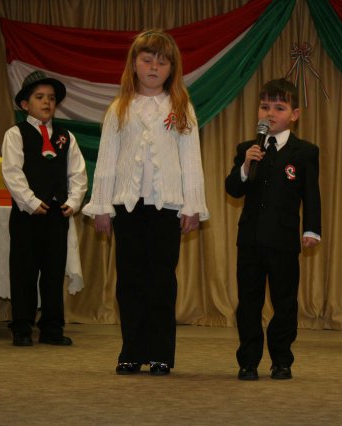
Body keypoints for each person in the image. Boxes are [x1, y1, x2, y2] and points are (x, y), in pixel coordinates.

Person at [82, 29, 209, 376]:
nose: (154, 67)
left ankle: (160, 353)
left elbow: (191, 160)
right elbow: (107, 160)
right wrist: (102, 206)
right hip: (127, 207)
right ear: (134, 64)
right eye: (147, 60)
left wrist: (192, 205)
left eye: (162, 62)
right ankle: (132, 350)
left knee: (162, 280)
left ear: (172, 68)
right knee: (130, 280)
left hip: (166, 207)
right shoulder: (119, 108)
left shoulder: (181, 108)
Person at [225, 79, 321, 380]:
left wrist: (312, 229)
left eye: (279, 108)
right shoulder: (247, 149)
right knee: (248, 303)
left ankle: (281, 359)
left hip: (283, 239)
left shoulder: (305, 152)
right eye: (265, 106)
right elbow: (233, 189)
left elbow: (311, 194)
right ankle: (248, 360)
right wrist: (245, 166)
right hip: (250, 239)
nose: (270, 113)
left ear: (295, 114)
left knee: (285, 302)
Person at [2, 70, 87, 347]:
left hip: (56, 214)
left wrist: (72, 202)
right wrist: (30, 200)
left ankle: (51, 326)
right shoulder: (16, 134)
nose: (47, 102)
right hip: (27, 215)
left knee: (53, 271)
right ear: (25, 104)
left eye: (51, 98)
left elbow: (78, 174)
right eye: (39, 97)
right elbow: (12, 172)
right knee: (24, 270)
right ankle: (22, 326)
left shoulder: (66, 137)